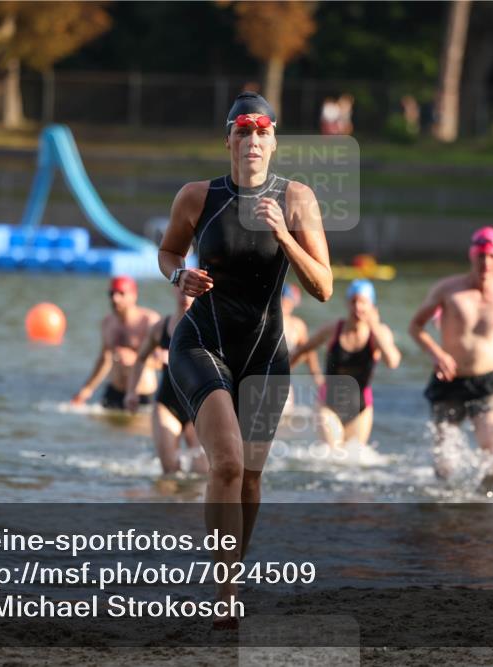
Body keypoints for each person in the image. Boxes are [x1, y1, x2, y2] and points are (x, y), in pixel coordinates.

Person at [158, 92, 332, 627]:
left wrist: (282, 232)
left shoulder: (297, 198)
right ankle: (225, 590)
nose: (252, 140)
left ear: (274, 140)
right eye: (242, 131)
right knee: (227, 463)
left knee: (251, 478)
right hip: (201, 344)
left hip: (265, 352)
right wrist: (176, 275)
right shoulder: (197, 196)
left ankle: (231, 566)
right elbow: (168, 252)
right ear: (229, 140)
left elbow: (323, 286)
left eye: (262, 131)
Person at [409, 227, 493, 473]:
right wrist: (436, 353)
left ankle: (484, 506)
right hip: (449, 379)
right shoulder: (448, 289)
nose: (486, 263)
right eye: (481, 255)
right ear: (472, 255)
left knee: (491, 454)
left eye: (492, 256)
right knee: (444, 464)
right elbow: (415, 326)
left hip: (487, 382)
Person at [291, 280, 400, 447]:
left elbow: (392, 362)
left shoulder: (379, 333)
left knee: (352, 461)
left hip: (361, 408)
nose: (358, 307)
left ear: (372, 306)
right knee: (334, 455)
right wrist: (279, 371)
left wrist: (374, 326)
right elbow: (304, 349)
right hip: (328, 404)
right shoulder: (334, 329)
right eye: (353, 301)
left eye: (363, 302)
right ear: (347, 303)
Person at [124, 286, 209, 476]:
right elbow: (140, 358)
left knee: (201, 474)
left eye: (191, 291)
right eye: (182, 290)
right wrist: (131, 392)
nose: (185, 295)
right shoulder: (160, 327)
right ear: (174, 291)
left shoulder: (208, 328)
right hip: (166, 404)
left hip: (199, 406)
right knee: (170, 473)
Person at [72, 276, 160, 410]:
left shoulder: (149, 321)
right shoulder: (107, 323)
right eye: (112, 294)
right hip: (115, 391)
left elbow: (163, 362)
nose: (115, 298)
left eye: (121, 294)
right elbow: (104, 359)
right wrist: (87, 389)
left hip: (142, 394)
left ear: (133, 296)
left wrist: (136, 359)